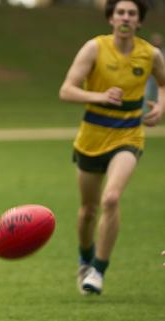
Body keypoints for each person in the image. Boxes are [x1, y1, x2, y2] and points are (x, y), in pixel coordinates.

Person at [59, 0, 165, 295]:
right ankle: (85, 258)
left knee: (111, 199)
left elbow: (164, 82)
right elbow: (66, 90)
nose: (126, 18)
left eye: (132, 13)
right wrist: (101, 96)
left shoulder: (150, 54)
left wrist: (161, 106)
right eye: (120, 12)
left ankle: (99, 271)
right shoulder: (94, 48)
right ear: (111, 18)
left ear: (139, 21)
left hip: (128, 137)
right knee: (88, 211)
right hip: (92, 139)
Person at [144, 32, 163, 111]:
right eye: (155, 40)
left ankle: (157, 110)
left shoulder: (162, 53)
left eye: (158, 40)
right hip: (149, 78)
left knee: (158, 95)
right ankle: (144, 112)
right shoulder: (147, 52)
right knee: (146, 94)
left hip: (159, 78)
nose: (157, 42)